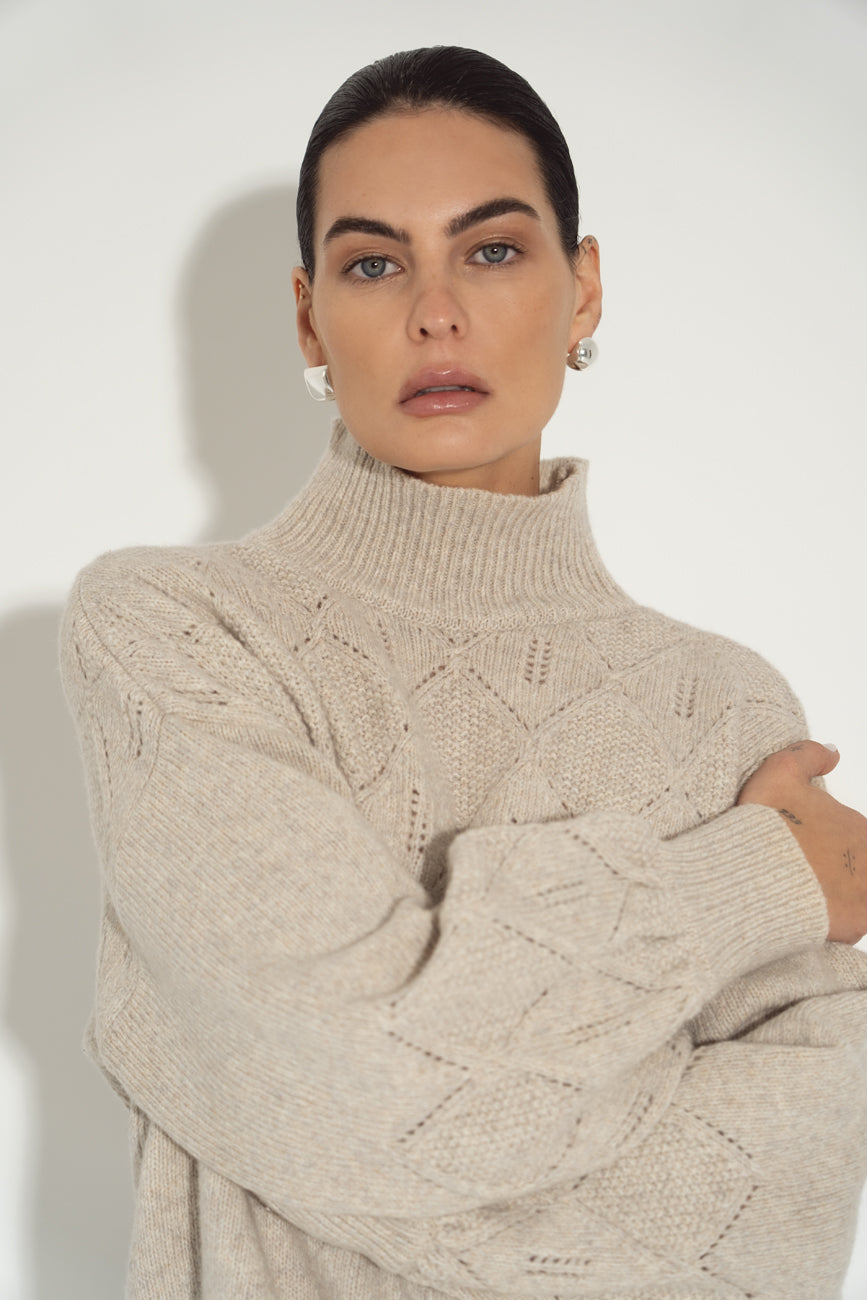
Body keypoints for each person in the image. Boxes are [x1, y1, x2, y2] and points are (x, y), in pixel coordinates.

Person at [59, 45, 867, 1300]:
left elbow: (775, 1232)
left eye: (491, 250)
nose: (435, 312)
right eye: (374, 264)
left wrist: (327, 1109)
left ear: (583, 289)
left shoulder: (725, 714)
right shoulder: (177, 637)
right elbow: (374, 1097)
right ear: (309, 315)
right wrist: (744, 883)